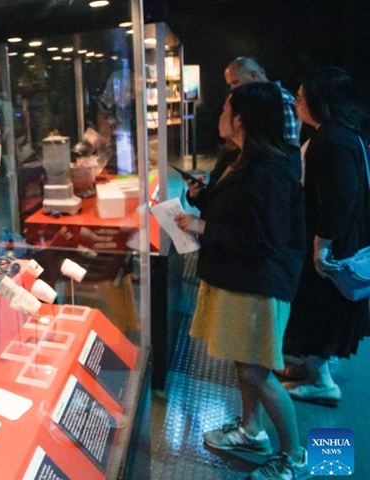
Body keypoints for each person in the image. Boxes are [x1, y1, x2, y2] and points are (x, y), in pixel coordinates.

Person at [175, 82, 307, 480]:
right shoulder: (241, 158)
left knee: (256, 371)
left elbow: (263, 239)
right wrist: (203, 198)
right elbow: (238, 213)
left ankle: (295, 456)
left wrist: (203, 225)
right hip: (238, 279)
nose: (218, 116)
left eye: (225, 108)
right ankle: (252, 431)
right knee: (242, 360)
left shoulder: (269, 170)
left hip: (258, 283)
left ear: (242, 118)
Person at [280, 66, 370, 405]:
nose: (297, 103)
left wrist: (322, 243)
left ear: (319, 100)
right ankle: (310, 367)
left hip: (331, 244)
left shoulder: (329, 139)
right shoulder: (348, 135)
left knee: (317, 308)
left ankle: (322, 381)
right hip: (344, 239)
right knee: (318, 307)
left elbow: (339, 196)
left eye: (301, 98)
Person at [225, 57, 300, 147]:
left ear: (253, 75)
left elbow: (290, 143)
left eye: (235, 82)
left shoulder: (280, 98)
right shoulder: (263, 100)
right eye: (230, 85)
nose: (233, 89)